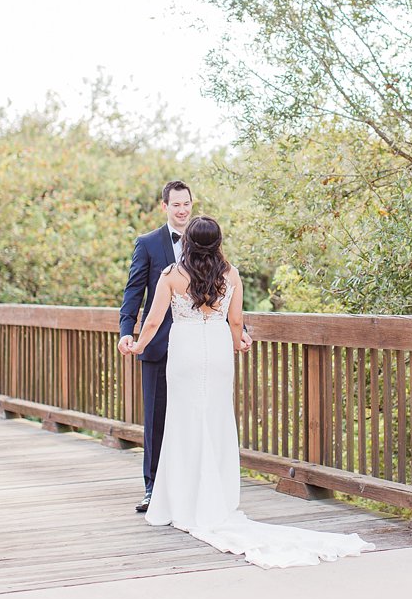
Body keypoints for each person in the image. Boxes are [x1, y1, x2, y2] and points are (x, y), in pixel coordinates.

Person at [128, 215, 375, 569]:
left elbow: (152, 321)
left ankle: (179, 501)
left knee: (182, 422)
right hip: (216, 351)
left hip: (183, 353)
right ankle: (217, 500)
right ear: (217, 242)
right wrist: (239, 342)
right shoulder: (230, 274)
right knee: (216, 419)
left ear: (189, 243)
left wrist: (138, 348)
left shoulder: (171, 275)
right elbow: (235, 321)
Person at [118, 180, 195, 513]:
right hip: (156, 345)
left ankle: (188, 485)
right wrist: (127, 330)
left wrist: (242, 328)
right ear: (164, 207)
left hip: (194, 346)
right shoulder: (147, 243)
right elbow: (134, 292)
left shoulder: (203, 241)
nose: (182, 210)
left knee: (192, 417)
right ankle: (152, 487)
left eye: (187, 204)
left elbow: (222, 289)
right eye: (176, 205)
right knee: (156, 418)